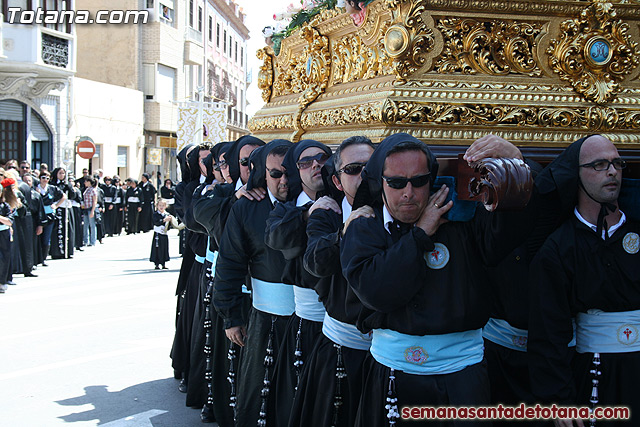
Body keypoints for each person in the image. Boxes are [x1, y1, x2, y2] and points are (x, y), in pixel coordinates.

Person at [340, 133, 530, 426]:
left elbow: (511, 230)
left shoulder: (463, 219)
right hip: (394, 376)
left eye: (419, 181)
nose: (409, 192)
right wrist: (420, 235)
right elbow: (377, 291)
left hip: (462, 377)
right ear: (380, 182)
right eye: (397, 182)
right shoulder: (365, 226)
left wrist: (515, 164)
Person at [528, 134, 639, 427]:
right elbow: (547, 335)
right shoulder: (558, 248)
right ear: (575, 175)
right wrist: (559, 400)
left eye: (617, 164)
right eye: (600, 165)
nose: (612, 172)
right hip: (593, 374)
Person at [290, 136, 376, 427]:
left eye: (369, 166)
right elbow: (315, 261)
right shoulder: (329, 214)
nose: (362, 175)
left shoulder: (399, 209)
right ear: (338, 182)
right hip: (341, 349)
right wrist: (344, 232)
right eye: (353, 169)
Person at [212, 140, 294, 427]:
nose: (284, 180)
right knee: (260, 400)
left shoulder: (316, 204)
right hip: (266, 320)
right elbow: (229, 264)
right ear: (263, 174)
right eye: (275, 174)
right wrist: (231, 316)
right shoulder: (246, 208)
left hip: (312, 326)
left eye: (290, 172)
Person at [264, 139, 333, 426]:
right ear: (296, 171)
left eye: (321, 158)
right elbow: (277, 238)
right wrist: (307, 214)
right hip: (306, 322)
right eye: (305, 162)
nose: (315, 165)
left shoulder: (348, 201)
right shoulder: (287, 209)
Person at [0, 177, 21, 293]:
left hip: (4, 232)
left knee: (5, 256)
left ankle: (4, 280)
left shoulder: (5, 205)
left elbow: (10, 219)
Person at [50, 167, 75, 259]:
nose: (61, 175)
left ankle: (68, 251)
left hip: (67, 208)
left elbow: (73, 196)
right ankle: (57, 252)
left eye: (63, 173)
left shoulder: (66, 185)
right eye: (60, 173)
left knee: (68, 229)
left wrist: (69, 186)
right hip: (57, 207)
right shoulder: (52, 185)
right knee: (57, 229)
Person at [150, 198, 172, 270]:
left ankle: (163, 263)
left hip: (164, 234)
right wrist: (163, 220)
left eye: (163, 205)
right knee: (157, 248)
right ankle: (156, 263)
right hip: (158, 233)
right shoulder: (156, 214)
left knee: (164, 248)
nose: (161, 207)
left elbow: (169, 225)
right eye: (160, 205)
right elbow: (156, 222)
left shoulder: (167, 214)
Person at [81, 176, 98, 247]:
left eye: (86, 181)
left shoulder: (93, 190)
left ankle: (93, 241)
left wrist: (92, 211)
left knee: (92, 225)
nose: (84, 183)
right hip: (86, 208)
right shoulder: (87, 190)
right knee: (85, 225)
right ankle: (85, 240)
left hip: (90, 208)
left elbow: (94, 201)